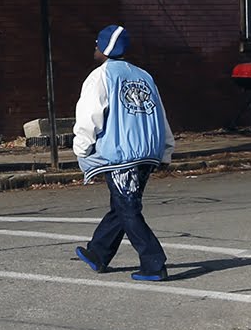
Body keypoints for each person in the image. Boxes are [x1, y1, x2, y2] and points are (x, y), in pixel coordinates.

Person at [72, 24, 175, 281]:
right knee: (122, 204)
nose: (94, 49)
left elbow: (89, 117)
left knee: (128, 208)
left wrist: (82, 148)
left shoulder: (100, 77)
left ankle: (154, 262)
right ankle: (99, 252)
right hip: (147, 152)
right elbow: (159, 114)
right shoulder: (143, 76)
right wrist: (166, 149)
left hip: (121, 155)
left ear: (105, 48)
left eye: (97, 44)